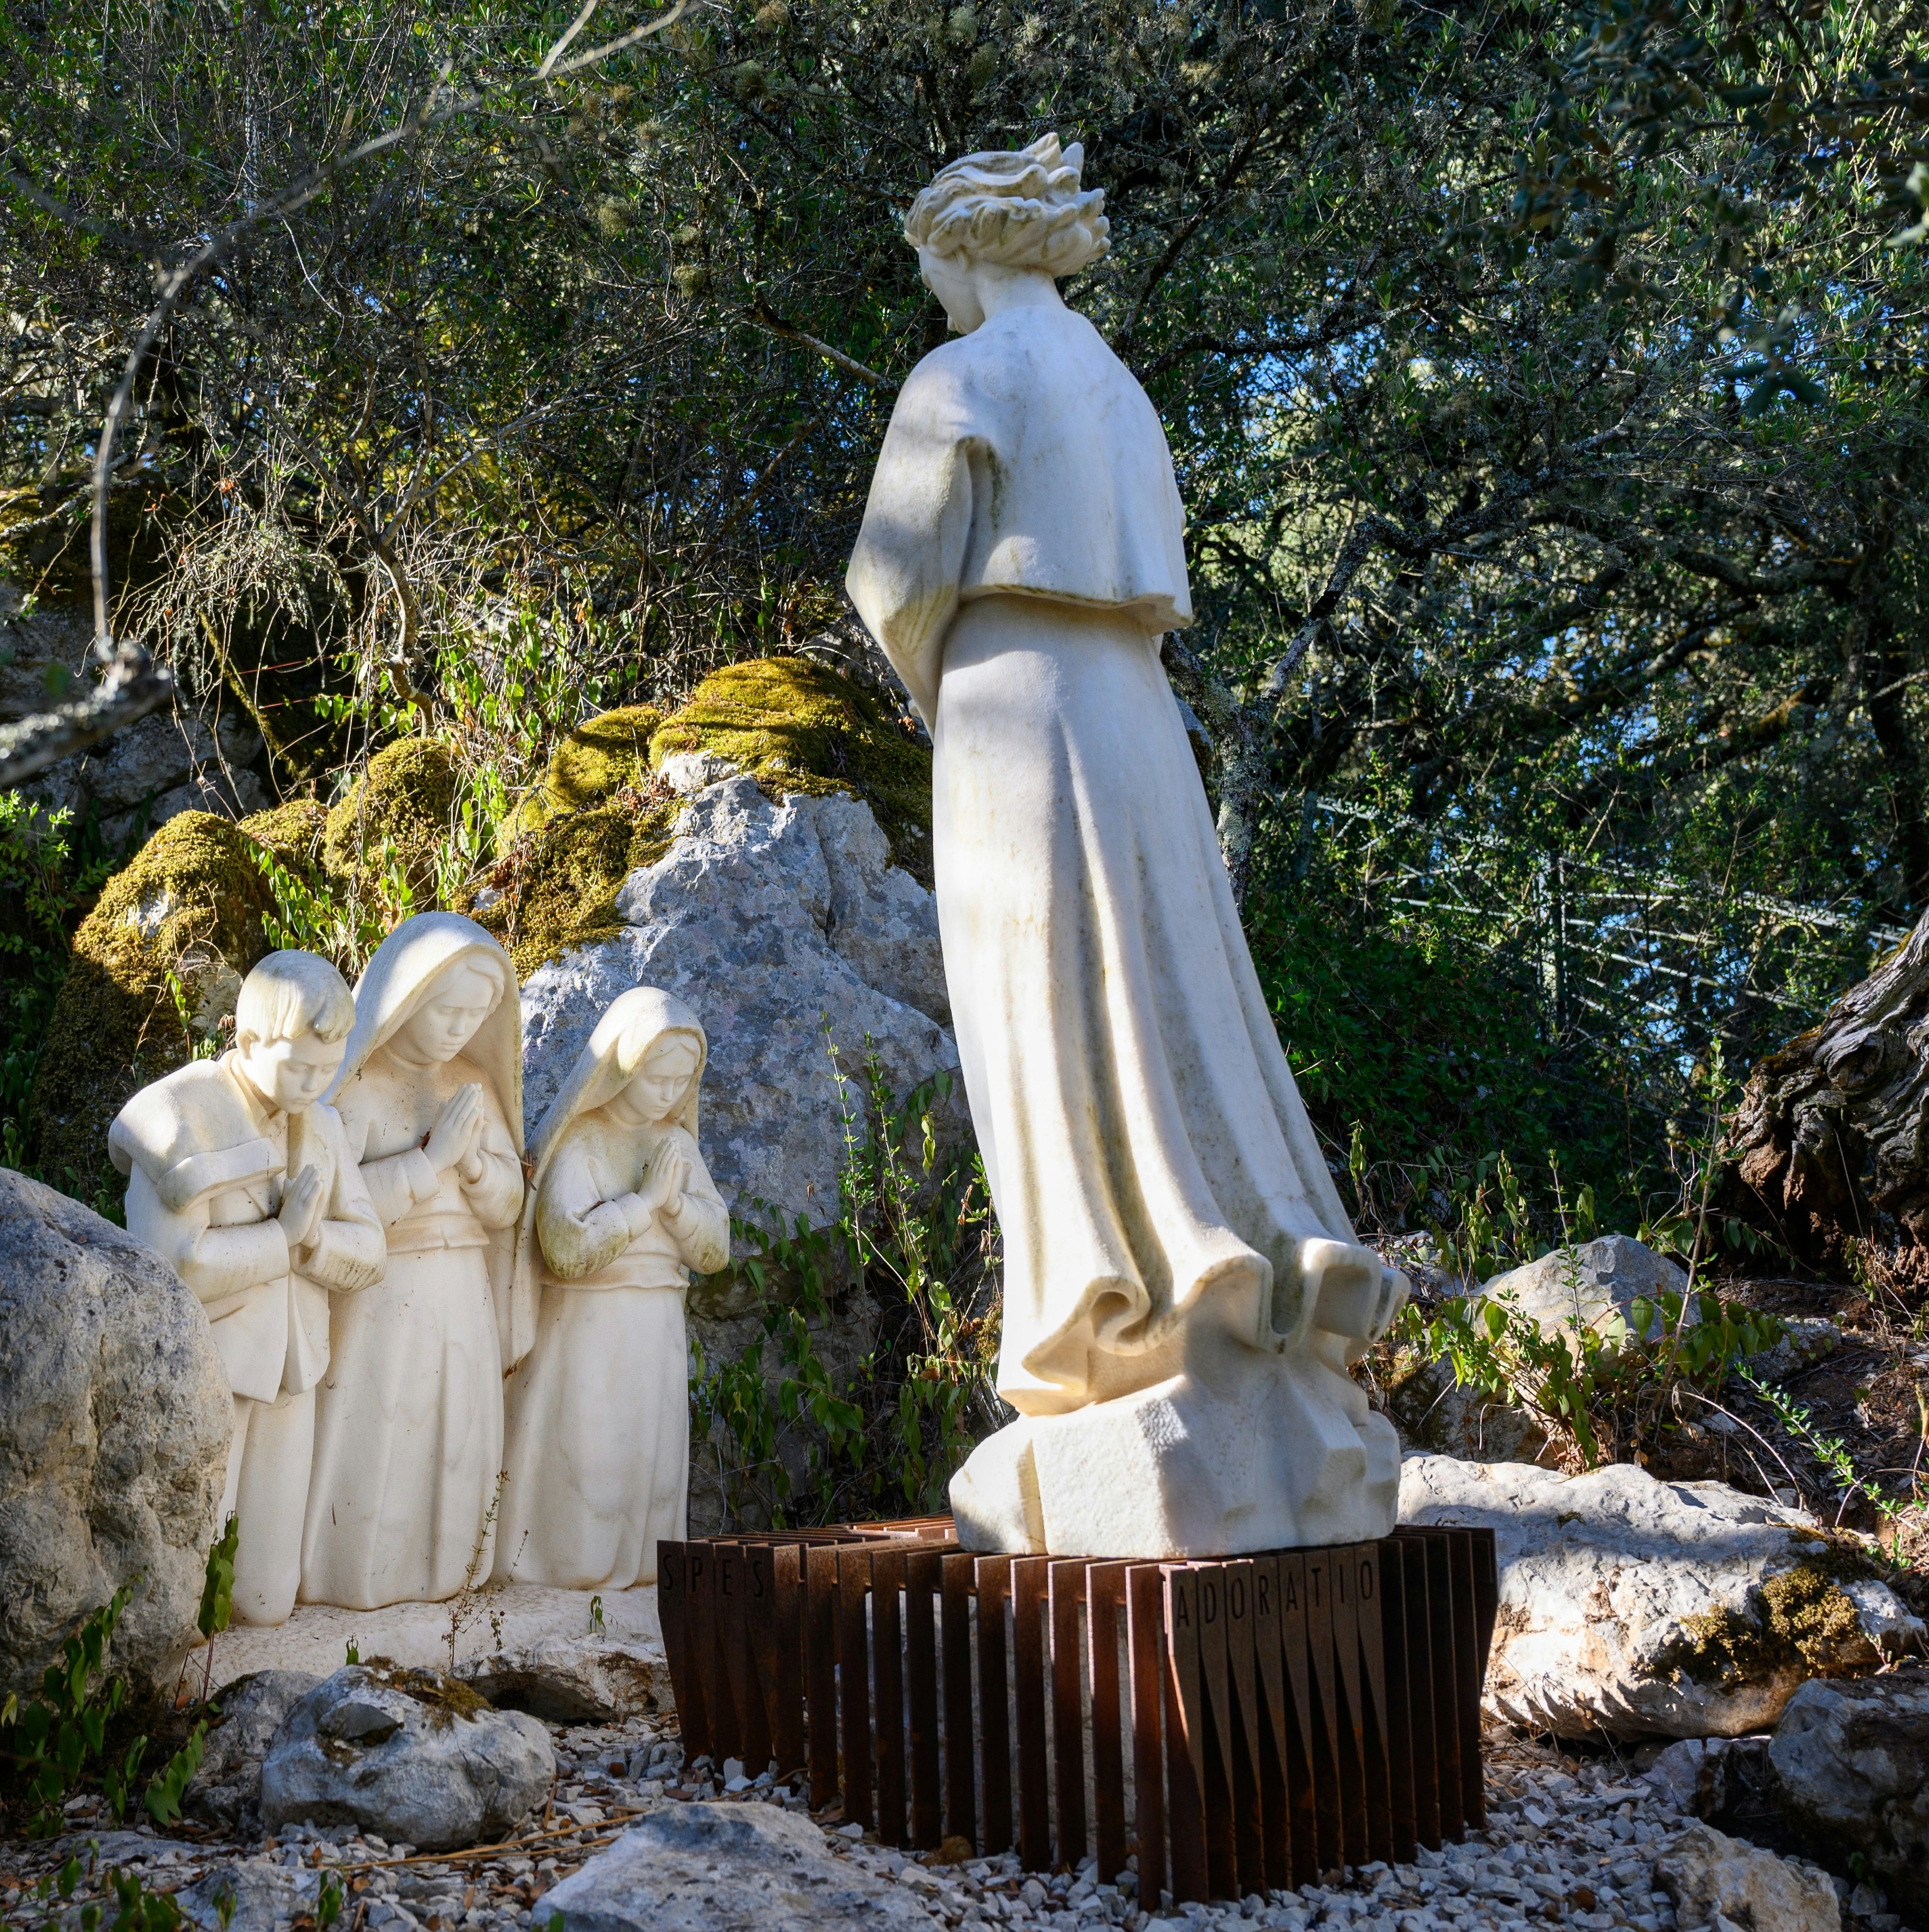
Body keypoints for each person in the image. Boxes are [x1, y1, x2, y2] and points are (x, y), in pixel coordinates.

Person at [843, 136, 1404, 1556]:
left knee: (1048, 1016)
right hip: (1136, 713)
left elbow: (894, 581)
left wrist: (933, 689)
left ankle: (1103, 1306)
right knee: (1173, 996)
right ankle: (1246, 1258)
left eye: (923, 259)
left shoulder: (955, 379)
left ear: (960, 242)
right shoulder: (1115, 382)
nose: (923, 285)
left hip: (1013, 694)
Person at [110, 949, 385, 1625]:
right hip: (210, 1371)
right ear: (249, 1039)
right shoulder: (180, 1116)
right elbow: (172, 1268)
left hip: (295, 1370)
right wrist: (282, 1239)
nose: (313, 1085)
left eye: (328, 1068)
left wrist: (315, 1240)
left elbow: (370, 1247)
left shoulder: (320, 1123)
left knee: (264, 1598)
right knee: (186, 1586)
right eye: (299, 1067)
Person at [302, 913, 528, 1608]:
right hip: (383, 1291)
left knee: (456, 1425)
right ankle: (358, 1575)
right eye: (447, 1008)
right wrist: (430, 1163)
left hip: (463, 1285)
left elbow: (509, 1202)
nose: (461, 1027)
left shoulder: (472, 1084)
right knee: (380, 1427)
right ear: (405, 997)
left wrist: (482, 1171)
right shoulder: (359, 1089)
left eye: (476, 1013)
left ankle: (448, 1571)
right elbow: (338, 1205)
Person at [495, 986, 730, 1590]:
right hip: (588, 1329)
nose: (670, 1094)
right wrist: (642, 1204)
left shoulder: (675, 1144)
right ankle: (567, 1578)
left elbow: (716, 1248)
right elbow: (566, 1248)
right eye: (658, 1077)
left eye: (683, 1081)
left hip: (655, 1326)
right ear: (623, 1065)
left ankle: (641, 1577)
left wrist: (675, 1209)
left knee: (646, 1464)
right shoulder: (581, 1140)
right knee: (588, 1453)